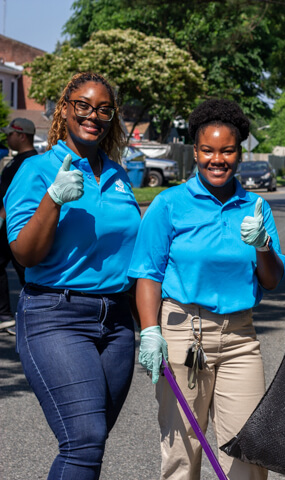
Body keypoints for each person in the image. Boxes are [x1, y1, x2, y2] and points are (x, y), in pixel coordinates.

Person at [130, 98, 285, 480]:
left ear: (239, 152)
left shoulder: (255, 205)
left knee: (248, 450)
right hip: (184, 332)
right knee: (182, 452)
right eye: (208, 150)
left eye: (227, 150)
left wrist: (263, 245)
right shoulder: (169, 204)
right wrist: (150, 331)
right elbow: (147, 273)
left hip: (240, 337)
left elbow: (273, 279)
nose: (218, 159)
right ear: (195, 151)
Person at [4, 72, 140, 480]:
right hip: (55, 314)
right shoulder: (37, 170)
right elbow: (24, 254)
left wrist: (152, 324)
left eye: (102, 108)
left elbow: (134, 252)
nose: (92, 115)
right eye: (82, 105)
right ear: (64, 108)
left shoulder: (118, 174)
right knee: (83, 439)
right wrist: (53, 199)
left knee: (90, 444)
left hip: (116, 323)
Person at [0, 118, 37, 335]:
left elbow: (17, 196)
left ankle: (34, 315)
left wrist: (2, 218)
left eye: (10, 134)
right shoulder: (15, 160)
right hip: (7, 227)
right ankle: (5, 315)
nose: (7, 137)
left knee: (27, 271)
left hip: (19, 227)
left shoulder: (31, 162)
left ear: (21, 135)